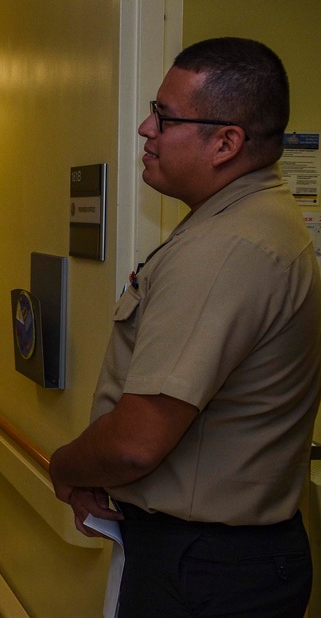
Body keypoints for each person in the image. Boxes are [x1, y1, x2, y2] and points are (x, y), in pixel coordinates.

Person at [49, 38, 321, 618]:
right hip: (221, 559)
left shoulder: (227, 248)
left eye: (166, 116)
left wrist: (65, 466)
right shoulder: (247, 219)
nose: (147, 127)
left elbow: (133, 445)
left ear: (226, 142)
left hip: (205, 571)